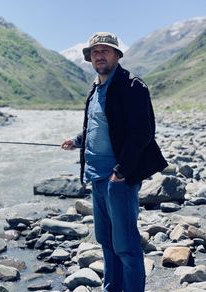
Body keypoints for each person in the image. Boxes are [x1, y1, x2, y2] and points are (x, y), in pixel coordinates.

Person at [61, 32, 168, 292]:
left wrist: (120, 172)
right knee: (106, 242)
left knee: (126, 245)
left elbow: (142, 133)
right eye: (95, 52)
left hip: (118, 179)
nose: (99, 55)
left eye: (105, 51)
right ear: (89, 58)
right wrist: (76, 141)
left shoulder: (132, 86)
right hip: (96, 177)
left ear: (117, 55)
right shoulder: (95, 88)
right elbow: (96, 125)